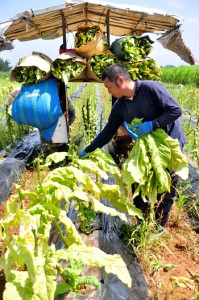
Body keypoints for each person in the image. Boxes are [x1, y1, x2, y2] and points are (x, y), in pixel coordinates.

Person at [78, 64, 186, 229]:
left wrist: (152, 125)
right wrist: (88, 150)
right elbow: (107, 132)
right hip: (145, 148)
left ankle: (159, 227)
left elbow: (175, 110)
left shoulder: (150, 88)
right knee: (138, 181)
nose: (108, 92)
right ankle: (142, 224)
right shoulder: (120, 106)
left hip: (169, 144)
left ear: (120, 80)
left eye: (109, 87)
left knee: (166, 187)